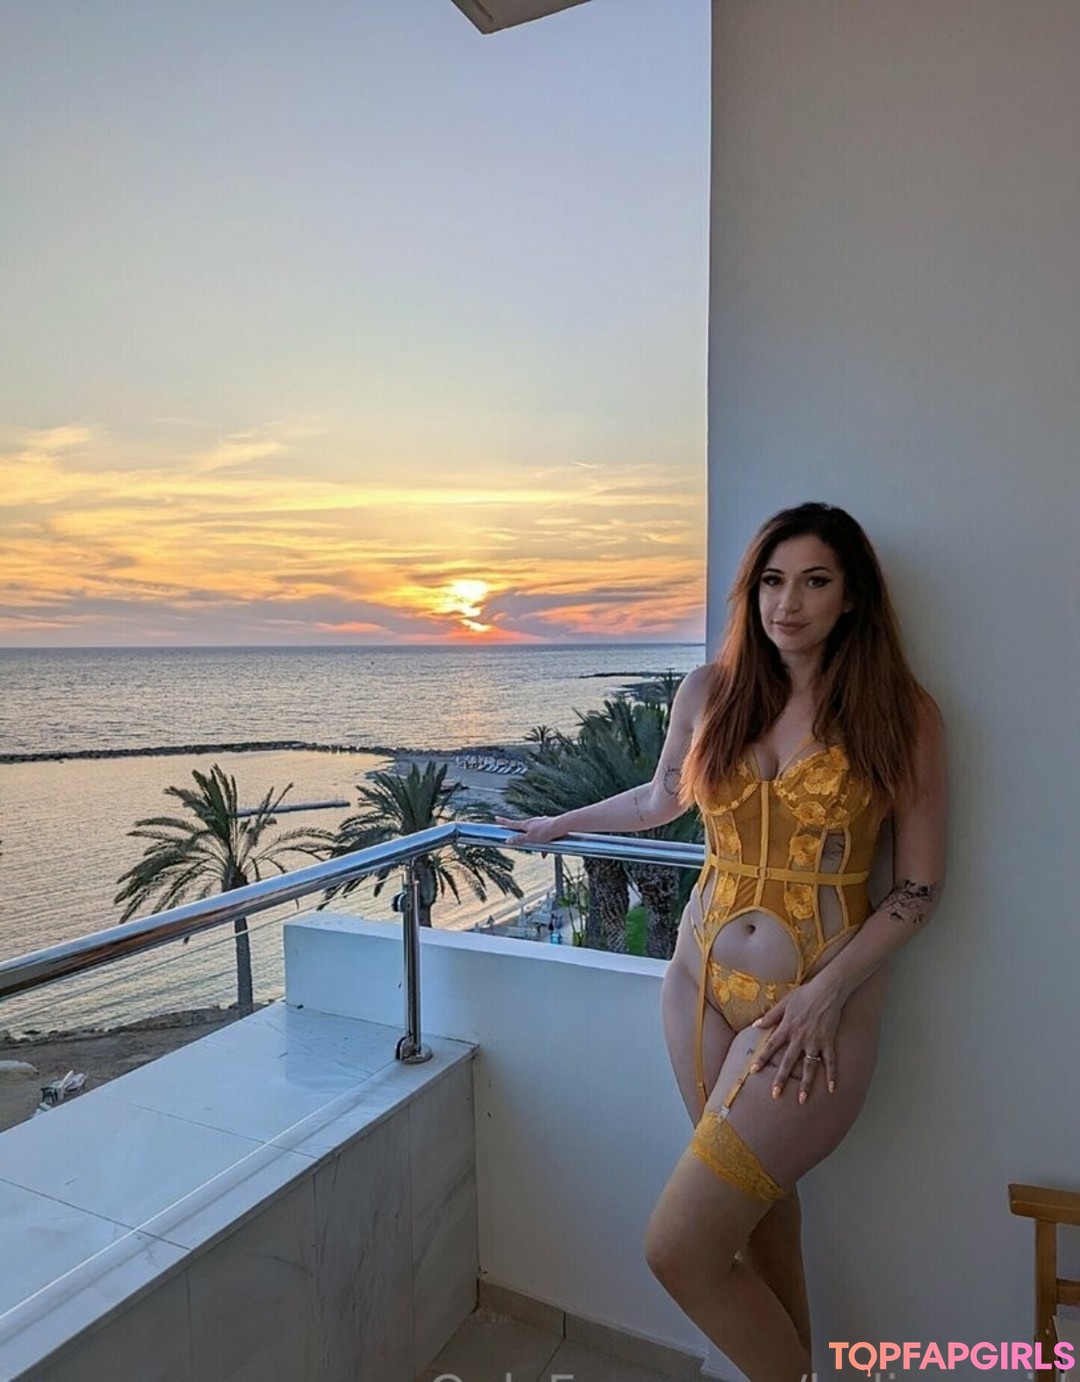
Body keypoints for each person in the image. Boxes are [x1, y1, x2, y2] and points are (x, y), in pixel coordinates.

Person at [496, 503, 947, 1382]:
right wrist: (561, 823)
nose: (788, 603)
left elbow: (920, 889)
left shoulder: (902, 714)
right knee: (761, 1212)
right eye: (773, 581)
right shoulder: (710, 691)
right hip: (695, 986)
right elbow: (659, 799)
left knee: (678, 1248)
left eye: (814, 581)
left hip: (815, 1007)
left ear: (852, 597)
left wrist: (823, 997)